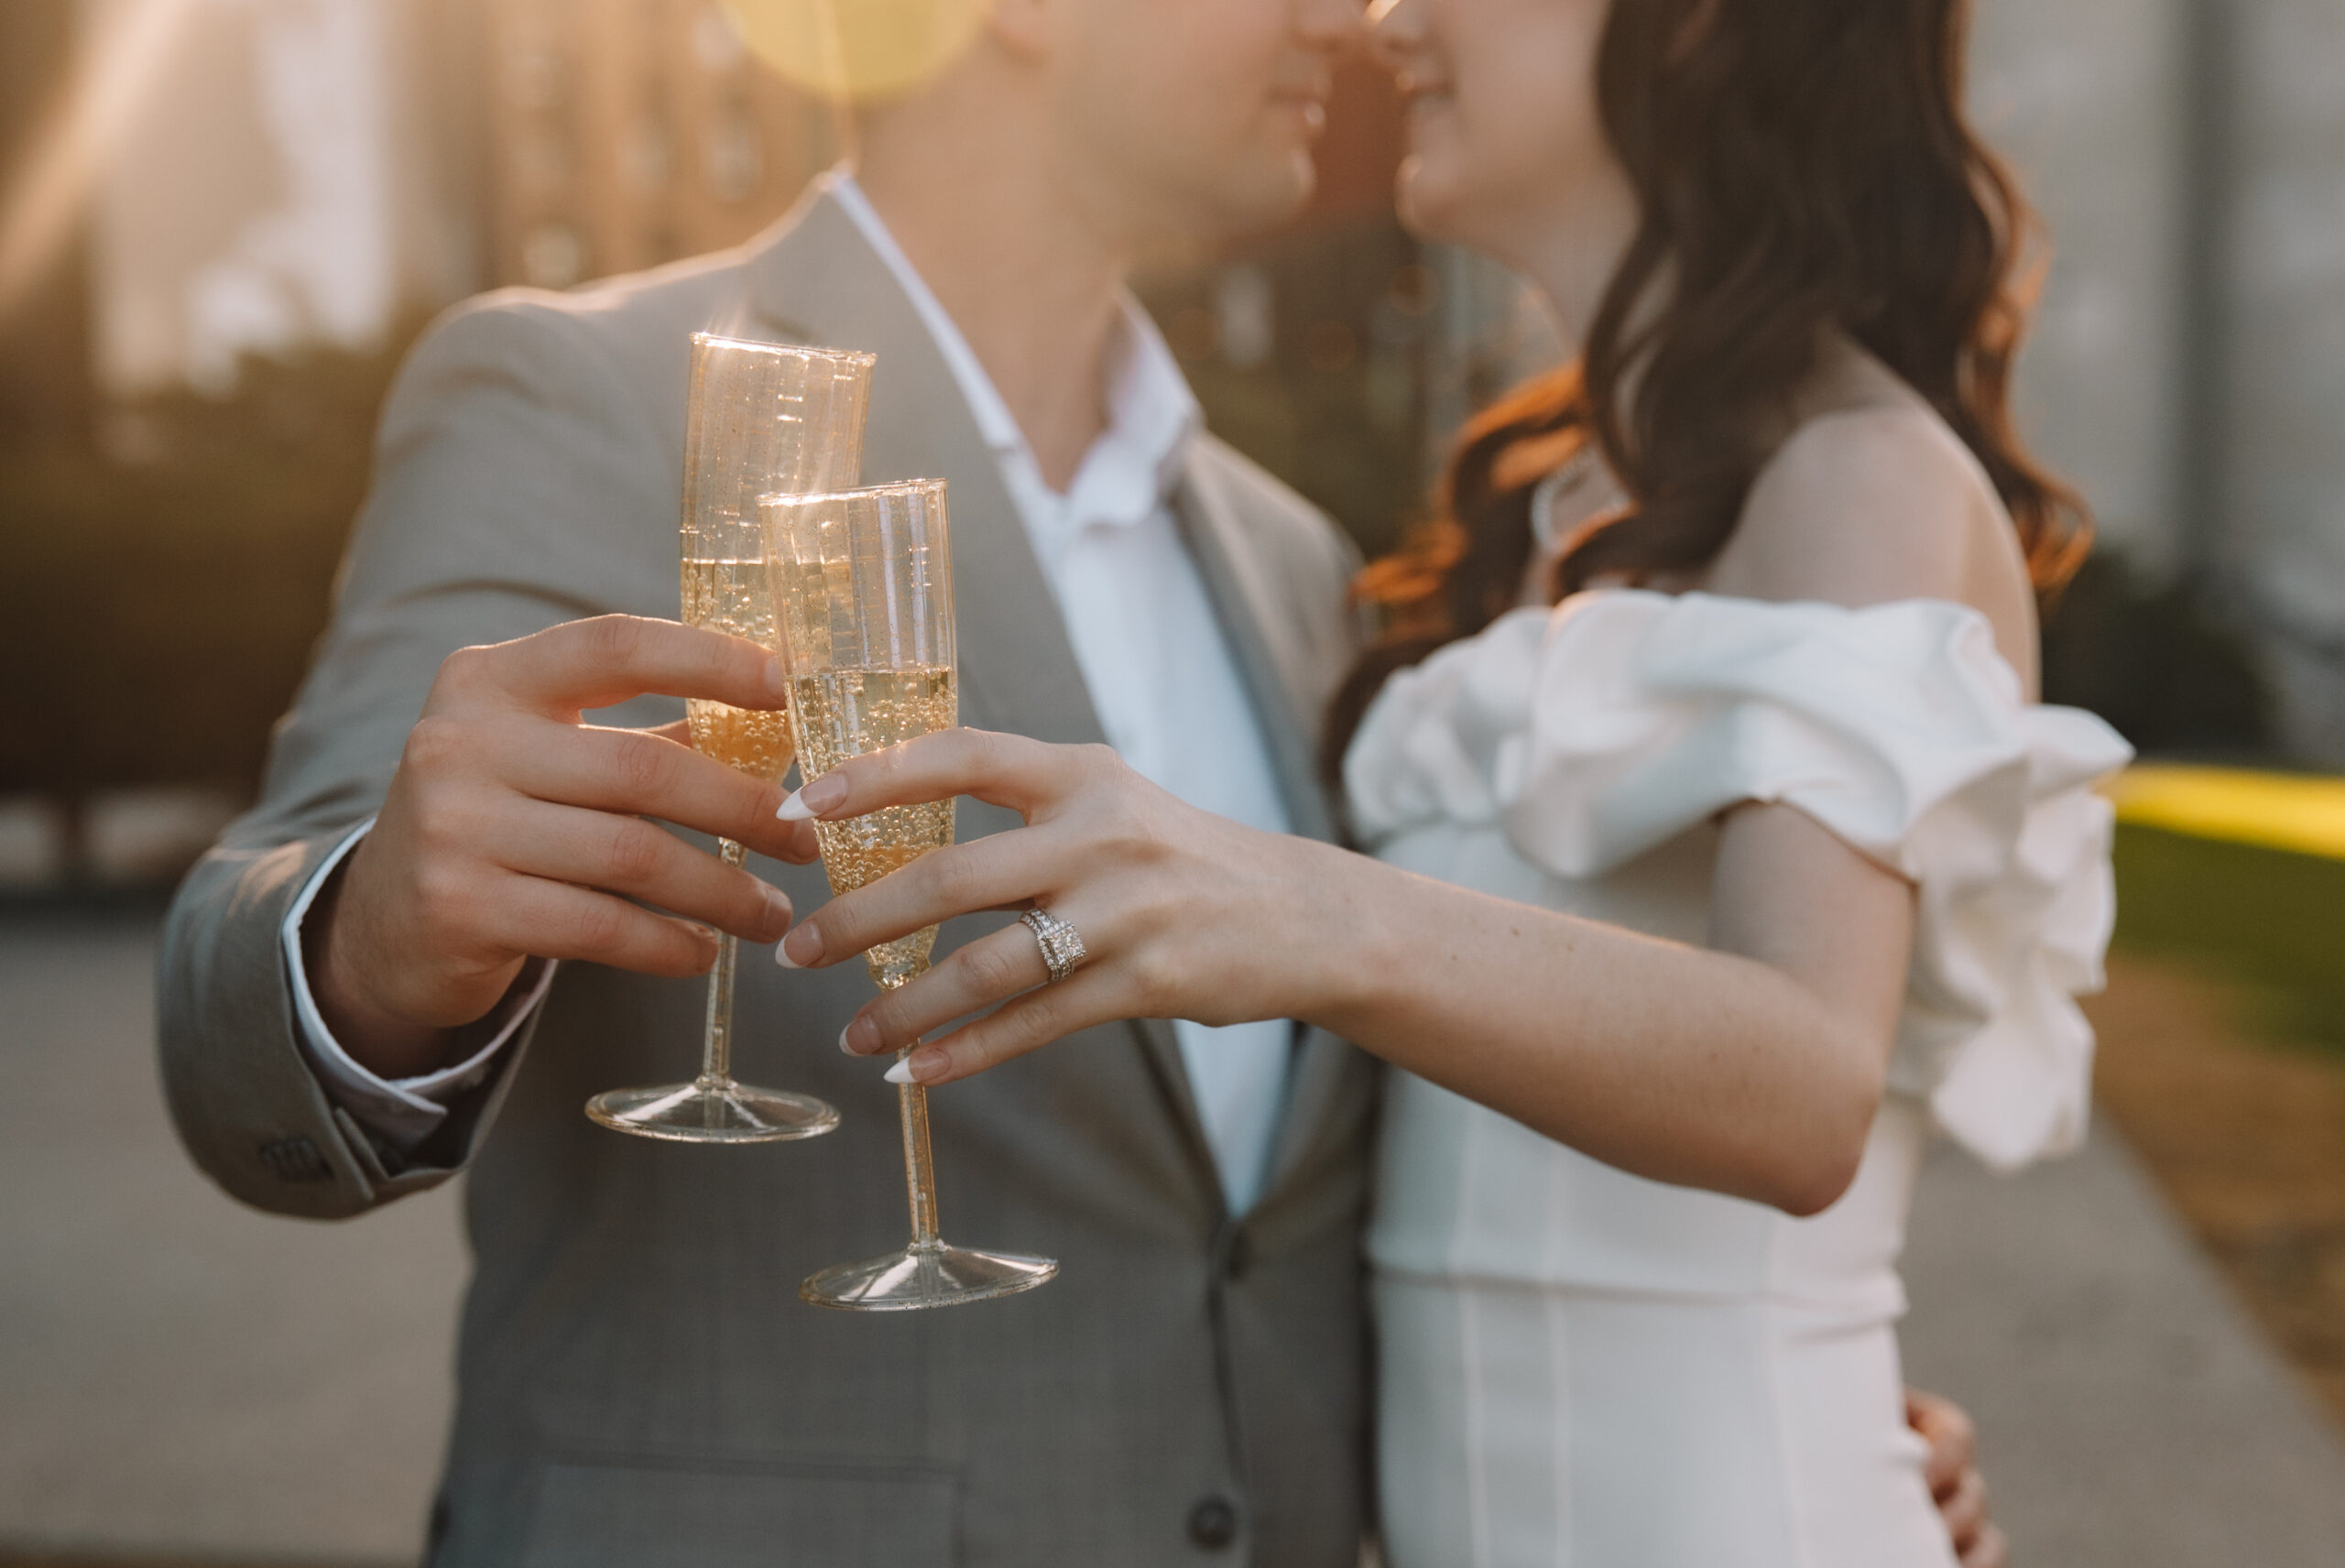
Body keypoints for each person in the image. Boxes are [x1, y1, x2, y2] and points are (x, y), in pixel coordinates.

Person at [158, 0, 1997, 1563]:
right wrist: (371, 947)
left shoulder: (1284, 565)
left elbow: (1330, 1171)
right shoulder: (590, 393)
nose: (1345, 21)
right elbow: (244, 1000)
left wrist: (1758, 1422)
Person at [761, 0, 2124, 1563]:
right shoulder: (1540, 517)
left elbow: (1813, 1085)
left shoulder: (1858, 473)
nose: (1389, 20)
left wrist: (1295, 910)